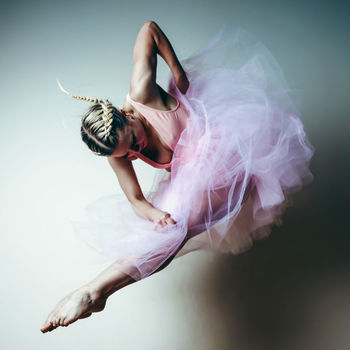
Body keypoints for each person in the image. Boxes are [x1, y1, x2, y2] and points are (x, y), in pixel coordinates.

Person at [40, 21, 315, 333]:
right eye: (125, 154)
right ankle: (97, 292)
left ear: (127, 115)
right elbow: (136, 200)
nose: (134, 152)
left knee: (174, 233)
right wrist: (155, 214)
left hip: (223, 147)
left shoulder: (141, 93)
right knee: (167, 235)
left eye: (133, 141)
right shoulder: (117, 154)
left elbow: (148, 30)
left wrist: (177, 70)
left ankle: (95, 291)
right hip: (192, 179)